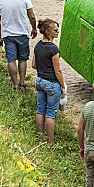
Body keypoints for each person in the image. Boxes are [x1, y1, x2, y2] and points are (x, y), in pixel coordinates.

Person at [0, 0, 37, 90]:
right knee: (23, 59)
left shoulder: (0, 0)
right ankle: (22, 83)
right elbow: (31, 16)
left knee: (11, 60)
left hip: (8, 35)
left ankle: (15, 84)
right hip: (22, 33)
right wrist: (34, 28)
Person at [32, 18, 65, 146]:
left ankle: (41, 137)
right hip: (51, 83)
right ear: (47, 31)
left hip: (39, 80)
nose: (58, 32)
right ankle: (51, 141)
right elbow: (58, 71)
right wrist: (63, 85)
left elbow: (34, 65)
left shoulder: (38, 45)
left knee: (40, 109)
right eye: (55, 30)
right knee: (51, 113)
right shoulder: (54, 49)